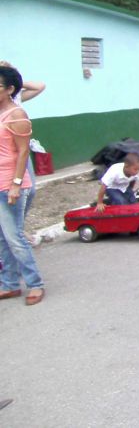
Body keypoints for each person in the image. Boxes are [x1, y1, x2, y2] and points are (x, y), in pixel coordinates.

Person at [0, 65, 44, 305]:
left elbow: (23, 151)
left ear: (10, 89)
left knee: (14, 237)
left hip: (11, 184)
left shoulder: (16, 115)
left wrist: (16, 184)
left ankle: (35, 284)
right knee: (2, 238)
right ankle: (8, 284)